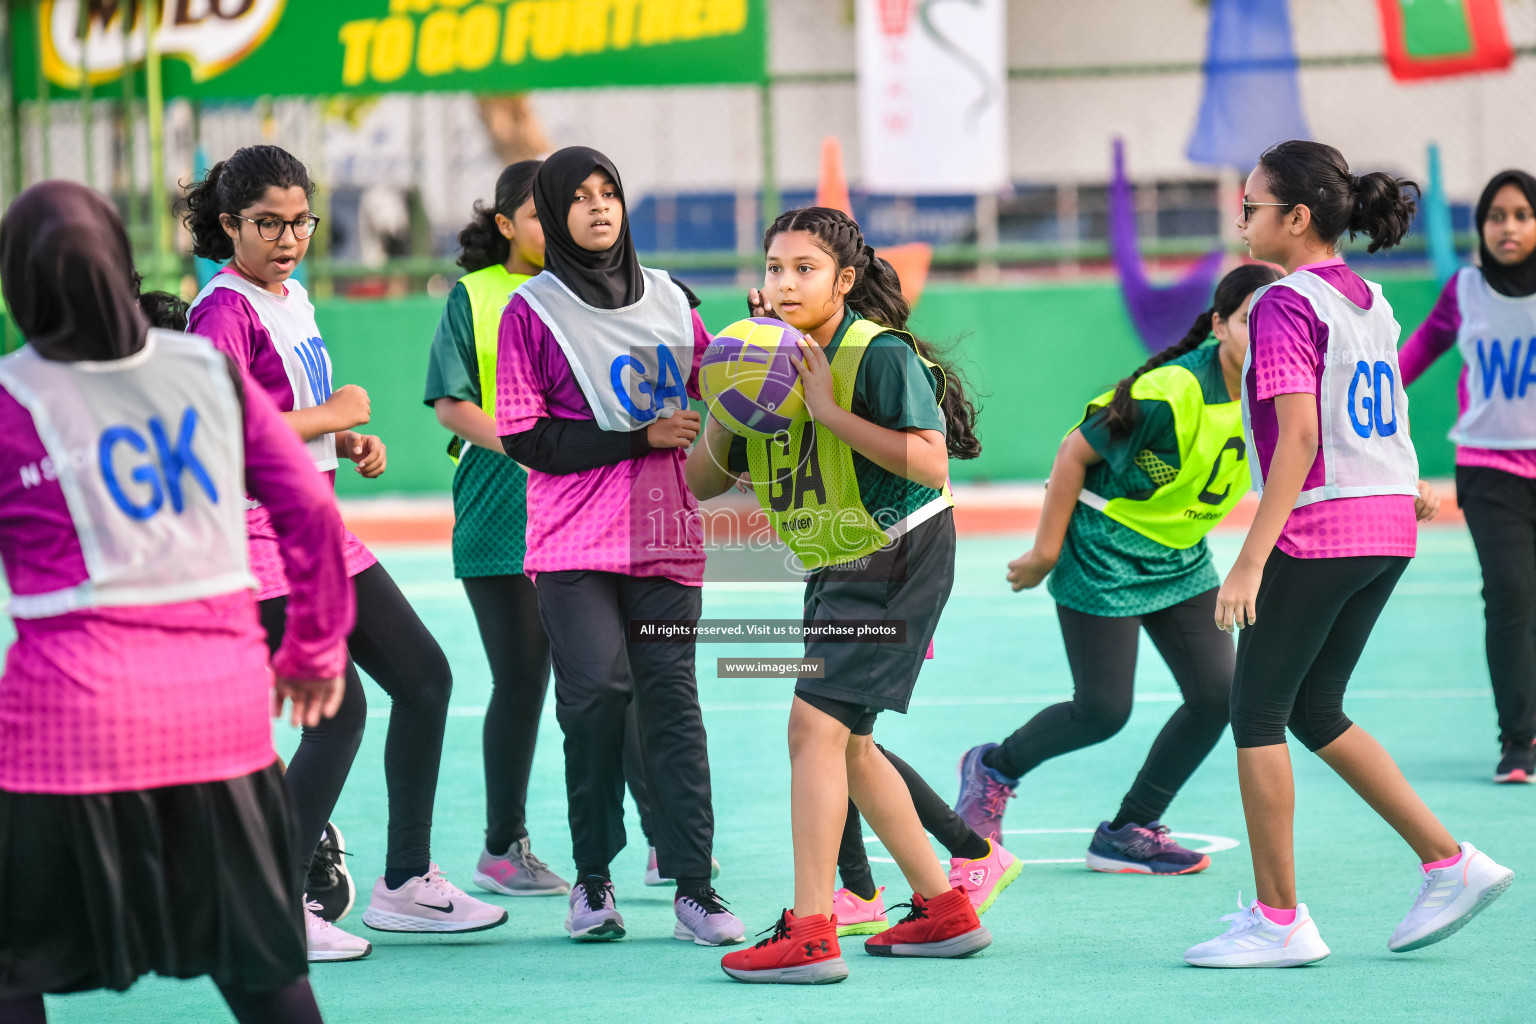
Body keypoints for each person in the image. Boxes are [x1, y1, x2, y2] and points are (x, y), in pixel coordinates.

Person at [0, 180, 352, 1022]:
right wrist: (312, 650)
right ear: (120, 261)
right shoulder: (203, 370)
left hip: (65, 733)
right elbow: (306, 507)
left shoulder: (12, 397)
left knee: (14, 968)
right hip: (219, 721)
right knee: (265, 968)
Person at [1184, 140, 1513, 968]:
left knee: (1256, 713)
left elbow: (1299, 436)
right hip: (1382, 531)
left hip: (1320, 527)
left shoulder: (1285, 304)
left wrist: (1254, 558)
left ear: (1297, 218)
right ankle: (1450, 861)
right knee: (1314, 709)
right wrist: (1407, 486)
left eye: (1253, 206)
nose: (1242, 218)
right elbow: (1379, 411)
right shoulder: (1367, 298)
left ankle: (1280, 919)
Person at [183, 145, 506, 957]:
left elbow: (279, 415)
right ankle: (272, 902)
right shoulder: (222, 312)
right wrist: (329, 417)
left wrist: (344, 437)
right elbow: (217, 433)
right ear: (230, 225)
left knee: (426, 678)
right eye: (268, 223)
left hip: (318, 531)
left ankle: (403, 884)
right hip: (259, 543)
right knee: (340, 713)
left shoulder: (290, 297)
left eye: (300, 221)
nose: (289, 237)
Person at [690, 206, 989, 984]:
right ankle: (944, 909)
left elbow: (930, 463)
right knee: (850, 746)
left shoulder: (876, 354)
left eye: (805, 269)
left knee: (810, 731)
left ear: (844, 281)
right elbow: (702, 483)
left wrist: (826, 411)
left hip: (895, 548)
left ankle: (813, 930)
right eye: (774, 268)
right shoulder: (754, 355)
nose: (785, 284)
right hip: (837, 557)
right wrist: (731, 401)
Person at [953, 264, 1280, 876]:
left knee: (1218, 696)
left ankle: (1131, 827)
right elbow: (1074, 450)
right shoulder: (1170, 392)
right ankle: (993, 767)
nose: (1266, 337)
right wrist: (1045, 553)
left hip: (1179, 557)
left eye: (1279, 323)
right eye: (1249, 321)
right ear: (1220, 326)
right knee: (1103, 710)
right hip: (1103, 548)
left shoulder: (1281, 392)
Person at [493, 146, 741, 945]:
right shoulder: (529, 312)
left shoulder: (674, 300)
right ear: (555, 214)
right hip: (572, 546)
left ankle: (695, 888)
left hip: (667, 538)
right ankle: (593, 880)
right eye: (581, 197)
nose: (600, 208)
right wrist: (636, 437)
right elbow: (526, 438)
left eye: (611, 193)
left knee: (673, 705)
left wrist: (765, 352)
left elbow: (722, 386)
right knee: (595, 698)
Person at [424, 158, 570, 897]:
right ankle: (500, 846)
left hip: (586, 503)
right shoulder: (474, 296)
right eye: (537, 212)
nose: (557, 221)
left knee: (618, 673)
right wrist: (531, 448)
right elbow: (451, 405)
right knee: (523, 675)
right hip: (501, 503)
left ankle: (665, 840)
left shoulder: (598, 293)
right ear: (507, 224)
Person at [1400, 169, 1536, 783]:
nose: (1508, 227)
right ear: (1480, 226)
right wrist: (1365, 396)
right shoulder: (1467, 288)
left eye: (1522, 214)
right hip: (1489, 468)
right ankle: (1519, 742)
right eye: (1496, 216)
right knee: (1510, 597)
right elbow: (1421, 348)